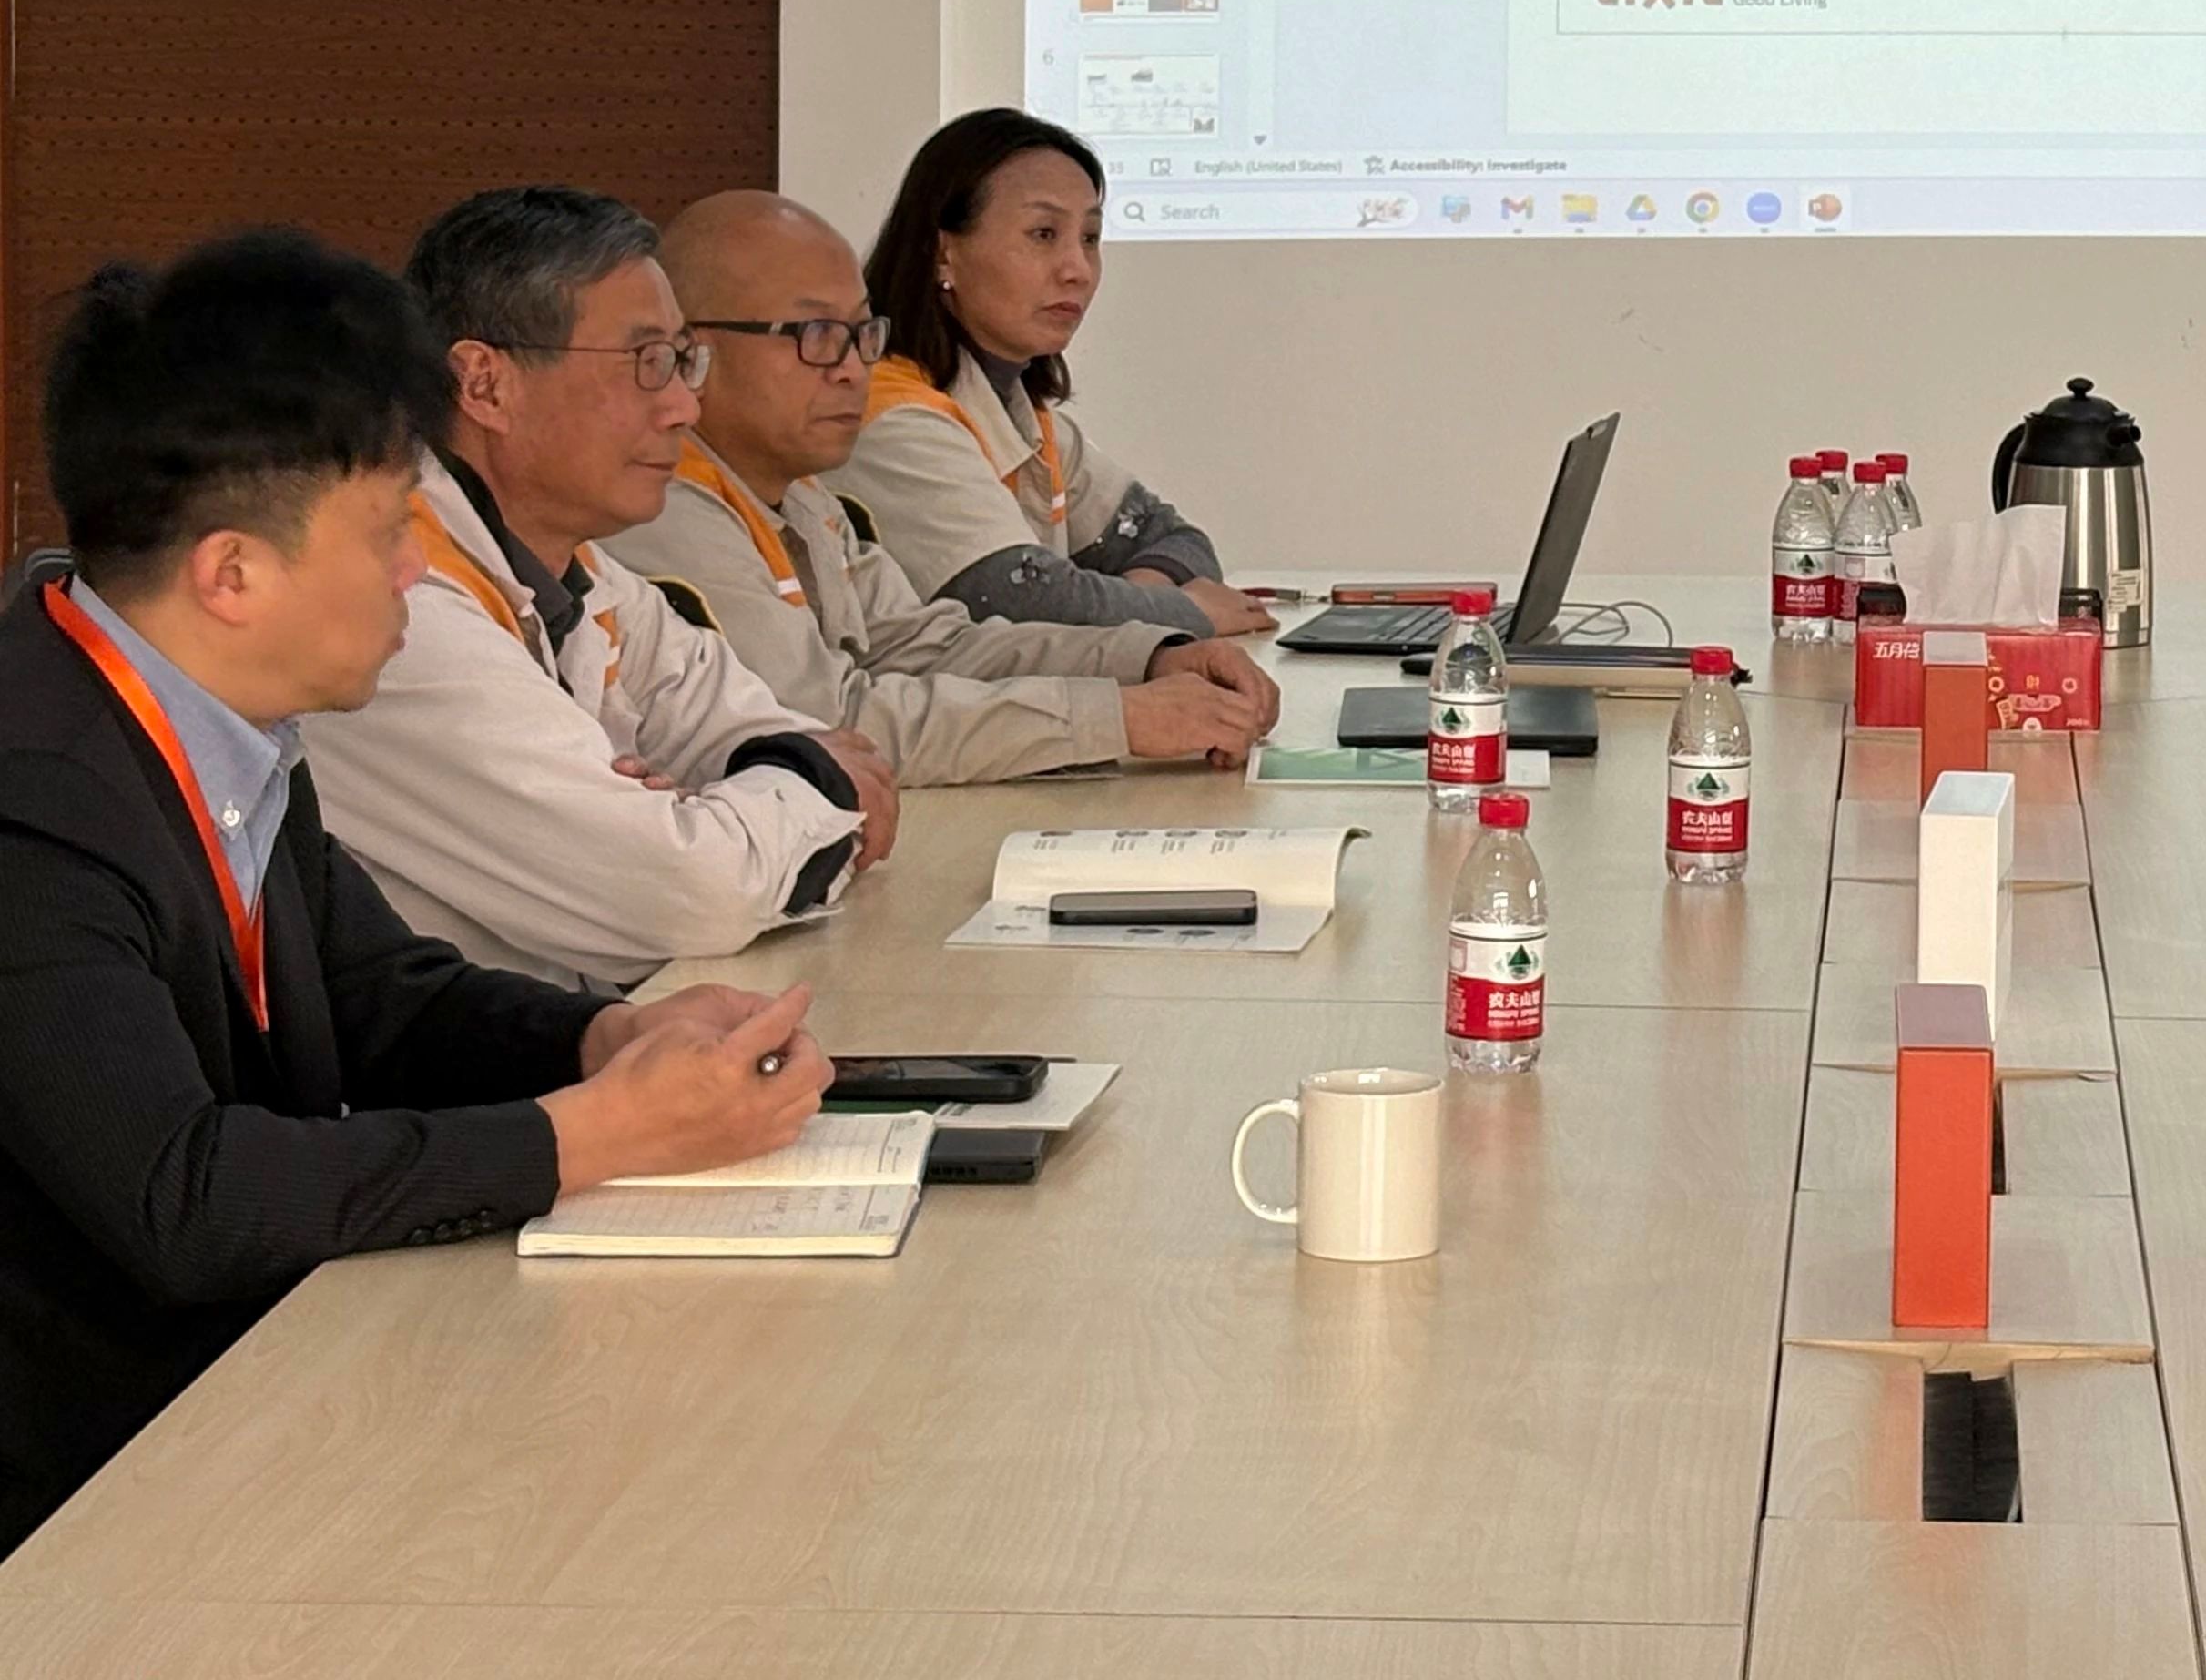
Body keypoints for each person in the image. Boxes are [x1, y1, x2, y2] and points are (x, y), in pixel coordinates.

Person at [0, 232, 836, 1556]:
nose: (415, 572)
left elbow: (382, 998)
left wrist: (601, 1038)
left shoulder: (226, 713)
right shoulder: (34, 794)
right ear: (231, 573)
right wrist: (589, 1135)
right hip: (86, 1507)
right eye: (391, 529)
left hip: (252, 1402)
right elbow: (186, 1198)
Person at [301, 189, 899, 990]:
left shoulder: (575, 566)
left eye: (683, 361)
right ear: (485, 384)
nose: (684, 405)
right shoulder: (397, 607)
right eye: (647, 363)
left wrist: (723, 809)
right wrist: (785, 797)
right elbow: (691, 892)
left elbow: (782, 737)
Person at [611, 190, 1283, 780]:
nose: (851, 369)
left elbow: (925, 647)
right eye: (815, 334)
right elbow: (822, 725)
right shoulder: (663, 511)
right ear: (691, 352)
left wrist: (1149, 658)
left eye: (862, 334)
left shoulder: (803, 497)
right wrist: (1116, 718)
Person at [836, 108, 1272, 639]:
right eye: (1043, 234)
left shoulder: (1021, 412)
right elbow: (1018, 603)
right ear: (943, 253)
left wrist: (1136, 601)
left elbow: (1177, 540)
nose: (1077, 269)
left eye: (1090, 237)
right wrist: (1179, 611)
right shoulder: (889, 416)